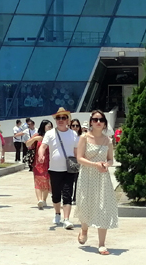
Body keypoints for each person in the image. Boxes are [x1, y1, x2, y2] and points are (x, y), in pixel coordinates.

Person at [75, 110, 118, 255]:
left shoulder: (108, 140)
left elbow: (111, 159)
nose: (98, 122)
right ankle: (84, 229)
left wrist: (107, 165)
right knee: (86, 204)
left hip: (102, 178)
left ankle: (102, 244)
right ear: (91, 122)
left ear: (105, 123)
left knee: (103, 208)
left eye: (101, 119)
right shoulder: (84, 138)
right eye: (95, 119)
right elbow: (79, 158)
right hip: (87, 176)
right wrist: (95, 165)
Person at [38, 107, 79, 229]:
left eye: (63, 118)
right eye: (58, 118)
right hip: (55, 169)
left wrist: (80, 162)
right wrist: (41, 155)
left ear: (68, 120)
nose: (60, 120)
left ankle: (66, 219)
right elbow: (43, 146)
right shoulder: (50, 133)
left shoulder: (73, 134)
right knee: (56, 194)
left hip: (69, 169)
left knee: (68, 194)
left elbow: (76, 150)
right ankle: (57, 213)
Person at [26, 119, 52, 208]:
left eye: (51, 126)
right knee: (37, 182)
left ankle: (44, 200)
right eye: (48, 126)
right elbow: (27, 144)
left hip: (49, 163)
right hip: (38, 163)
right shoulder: (37, 136)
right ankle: (39, 200)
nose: (50, 128)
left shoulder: (52, 136)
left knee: (46, 182)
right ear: (43, 126)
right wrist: (34, 139)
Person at [70, 119, 83, 205]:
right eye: (73, 125)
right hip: (69, 159)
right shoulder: (68, 135)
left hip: (79, 160)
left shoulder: (81, 137)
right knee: (69, 180)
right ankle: (68, 197)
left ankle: (75, 197)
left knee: (77, 180)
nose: (75, 127)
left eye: (77, 125)